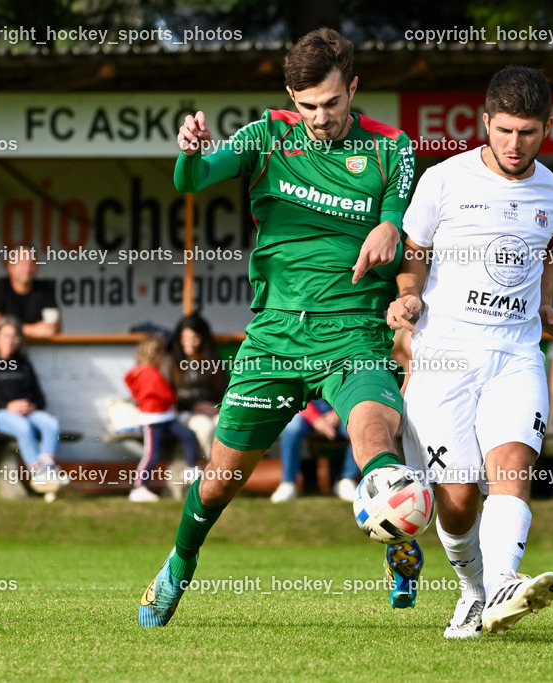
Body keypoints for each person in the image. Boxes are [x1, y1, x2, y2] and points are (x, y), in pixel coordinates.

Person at [139, 27, 422, 627]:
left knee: (377, 442)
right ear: (291, 98)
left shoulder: (392, 149)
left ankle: (397, 537)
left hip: (353, 333)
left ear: (353, 88)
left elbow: (398, 229)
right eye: (307, 105)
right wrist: (190, 151)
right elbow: (190, 181)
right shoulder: (266, 136)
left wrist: (388, 228)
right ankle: (178, 564)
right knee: (218, 483)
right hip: (273, 339)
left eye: (331, 103)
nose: (319, 118)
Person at [387, 66, 553, 638]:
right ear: (486, 123)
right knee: (460, 496)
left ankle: (502, 588)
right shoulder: (443, 180)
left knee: (513, 470)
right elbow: (414, 249)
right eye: (506, 131)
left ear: (547, 128)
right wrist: (410, 295)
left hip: (516, 354)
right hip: (445, 355)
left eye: (529, 133)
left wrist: (546, 306)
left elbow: (541, 253)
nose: (516, 145)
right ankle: (474, 592)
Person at [0, 315, 65, 495]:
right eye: (6, 335)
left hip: (28, 412)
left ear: (19, 340)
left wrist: (31, 406)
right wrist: (8, 406)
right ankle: (38, 472)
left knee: (51, 424)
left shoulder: (24, 365)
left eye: (15, 336)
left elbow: (41, 400)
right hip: (0, 414)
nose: (10, 340)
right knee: (24, 428)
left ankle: (47, 467)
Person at [125, 334, 201, 503]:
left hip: (165, 417)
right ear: (155, 354)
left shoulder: (143, 372)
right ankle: (138, 488)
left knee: (188, 435)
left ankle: (191, 470)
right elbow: (163, 393)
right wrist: (172, 398)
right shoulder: (148, 373)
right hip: (153, 420)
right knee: (152, 454)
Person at [271, 400, 360, 503]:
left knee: (360, 427)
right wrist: (315, 418)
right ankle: (288, 482)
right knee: (292, 428)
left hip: (344, 409)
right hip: (306, 409)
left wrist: (337, 414)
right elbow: (298, 393)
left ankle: (347, 479)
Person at [168, 313, 227, 461]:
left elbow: (224, 389)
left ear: (203, 339)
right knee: (205, 427)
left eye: (194, 338)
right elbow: (169, 395)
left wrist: (218, 406)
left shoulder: (212, 360)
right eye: (185, 338)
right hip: (184, 413)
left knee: (223, 424)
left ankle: (226, 467)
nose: (189, 343)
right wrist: (193, 406)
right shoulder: (170, 361)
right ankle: (212, 469)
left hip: (212, 410)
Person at [0, 245, 61, 338]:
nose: (27, 268)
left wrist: (8, 329)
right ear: (9, 266)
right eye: (22, 263)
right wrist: (32, 330)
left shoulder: (45, 289)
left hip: (38, 350)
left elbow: (52, 329)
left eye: (31, 263)